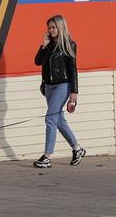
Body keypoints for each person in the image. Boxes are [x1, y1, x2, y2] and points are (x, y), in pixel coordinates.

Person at [33, 15, 85, 168]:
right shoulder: (48, 45)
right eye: (49, 27)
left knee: (50, 118)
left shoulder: (69, 44)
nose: (50, 30)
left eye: (53, 27)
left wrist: (74, 93)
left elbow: (73, 69)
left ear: (60, 28)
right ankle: (77, 149)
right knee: (59, 120)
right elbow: (37, 61)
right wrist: (43, 45)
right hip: (49, 86)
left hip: (63, 85)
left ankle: (47, 157)